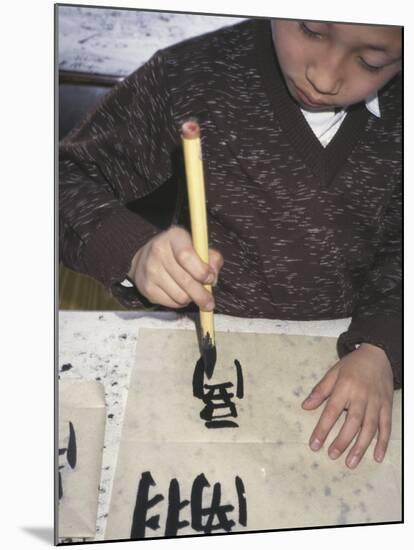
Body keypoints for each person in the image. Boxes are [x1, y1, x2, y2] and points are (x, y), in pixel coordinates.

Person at [59, 17, 402, 470]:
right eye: (311, 32)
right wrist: (132, 249)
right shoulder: (193, 74)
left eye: (371, 60)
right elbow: (60, 180)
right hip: (197, 349)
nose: (325, 76)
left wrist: (383, 345)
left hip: (345, 357)